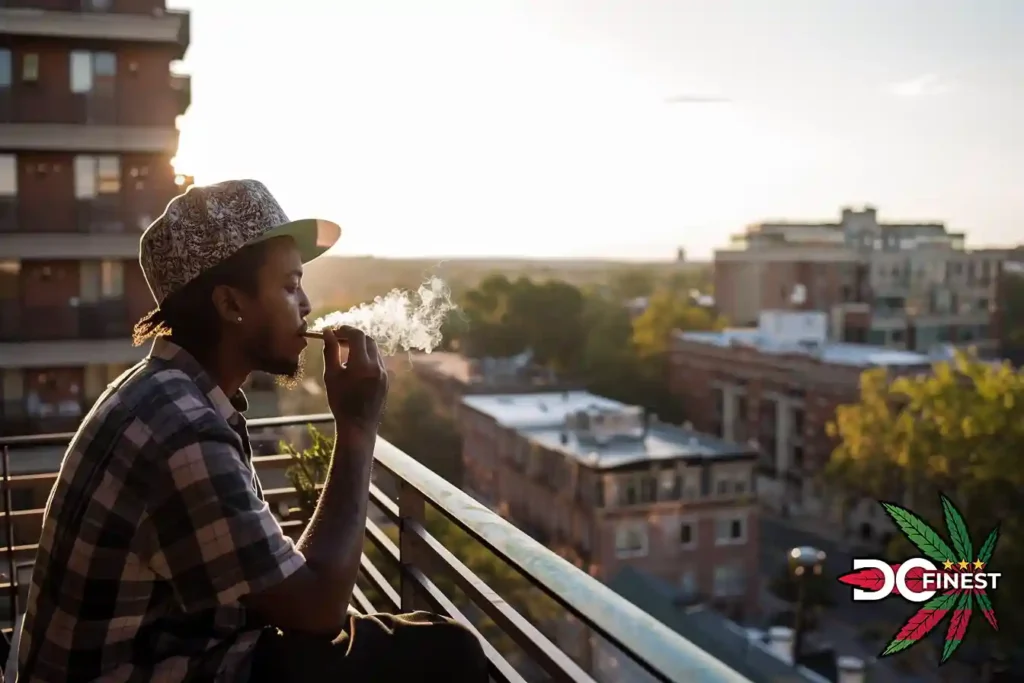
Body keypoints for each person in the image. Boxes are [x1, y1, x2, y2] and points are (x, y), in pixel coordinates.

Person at [16, 180, 489, 683]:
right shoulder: (184, 431)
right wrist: (356, 427)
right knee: (448, 655)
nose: (307, 304)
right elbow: (318, 609)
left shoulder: (162, 393)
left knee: (423, 639)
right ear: (231, 305)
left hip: (173, 653)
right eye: (289, 286)